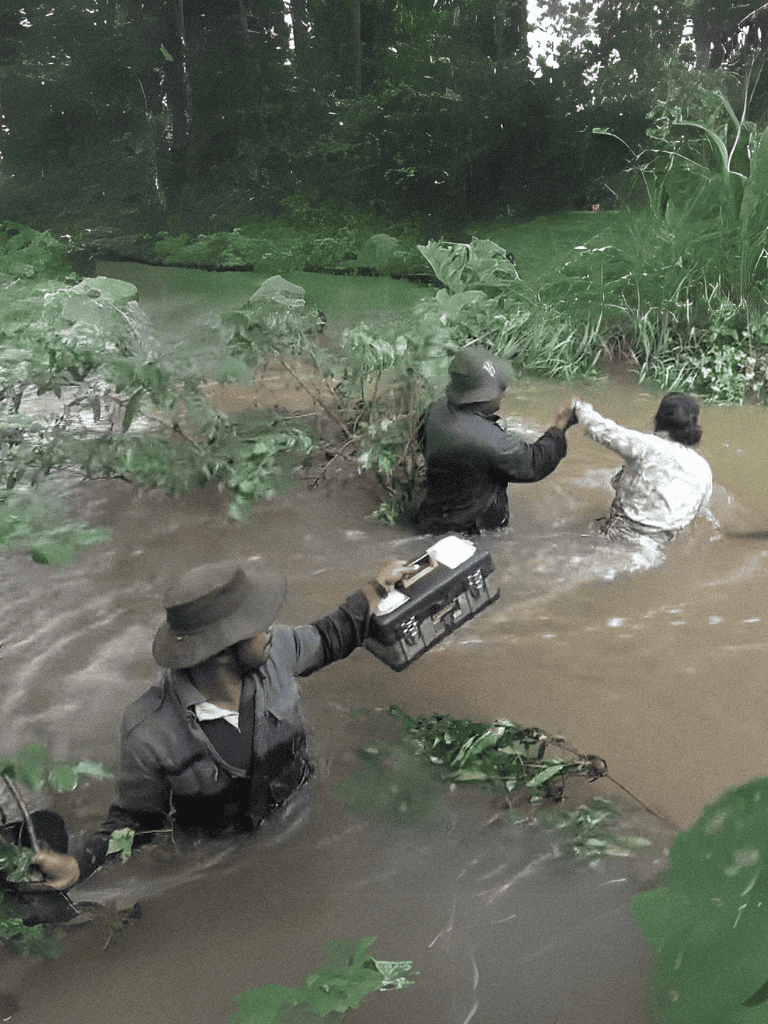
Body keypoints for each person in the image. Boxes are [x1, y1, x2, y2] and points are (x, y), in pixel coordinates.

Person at [31, 556, 407, 892]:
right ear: (221, 651)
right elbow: (135, 822)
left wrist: (375, 588)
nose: (270, 629)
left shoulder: (280, 653)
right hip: (224, 860)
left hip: (303, 815)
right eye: (257, 625)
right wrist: (81, 863)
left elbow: (332, 635)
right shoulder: (149, 733)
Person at [413, 346, 577, 534]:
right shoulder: (490, 441)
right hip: (469, 532)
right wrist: (559, 426)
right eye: (498, 389)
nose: (506, 392)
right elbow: (535, 462)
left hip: (432, 517)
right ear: (478, 398)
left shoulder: (437, 409)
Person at [574, 392, 713, 541]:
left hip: (620, 534)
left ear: (658, 419)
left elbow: (601, 429)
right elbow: (699, 514)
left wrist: (579, 407)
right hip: (660, 545)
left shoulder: (647, 446)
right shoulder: (703, 469)